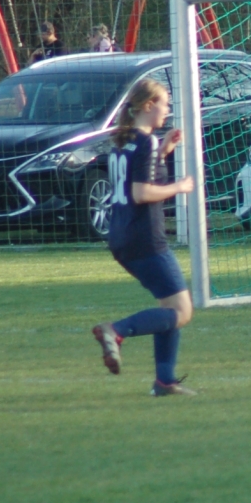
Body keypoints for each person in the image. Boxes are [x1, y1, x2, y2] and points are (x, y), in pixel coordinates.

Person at [90, 79, 197, 396]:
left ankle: (164, 381)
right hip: (145, 237)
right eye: (165, 104)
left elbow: (135, 178)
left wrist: (163, 151)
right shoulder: (145, 142)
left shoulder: (123, 141)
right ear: (148, 105)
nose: (167, 110)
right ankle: (116, 331)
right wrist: (180, 187)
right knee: (182, 312)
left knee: (169, 308)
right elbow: (141, 192)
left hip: (121, 236)